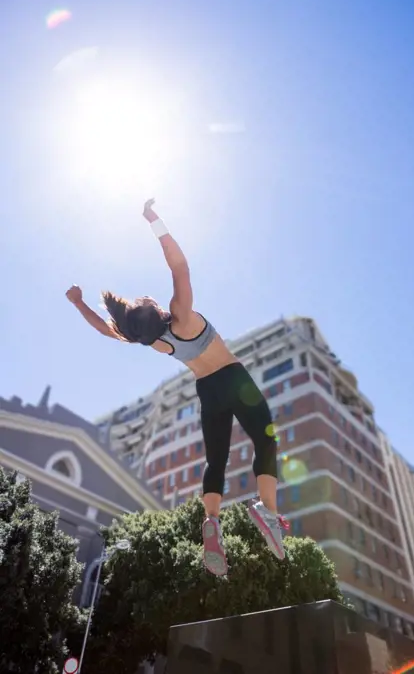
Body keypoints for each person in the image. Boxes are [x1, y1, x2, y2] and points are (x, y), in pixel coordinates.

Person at [66, 199, 287, 576]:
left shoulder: (156, 342)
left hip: (207, 391)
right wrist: (155, 220)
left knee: (216, 460)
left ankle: (212, 522)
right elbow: (179, 265)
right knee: (265, 440)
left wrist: (79, 304)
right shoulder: (182, 316)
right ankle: (268, 511)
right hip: (234, 379)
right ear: (154, 306)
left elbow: (107, 330)